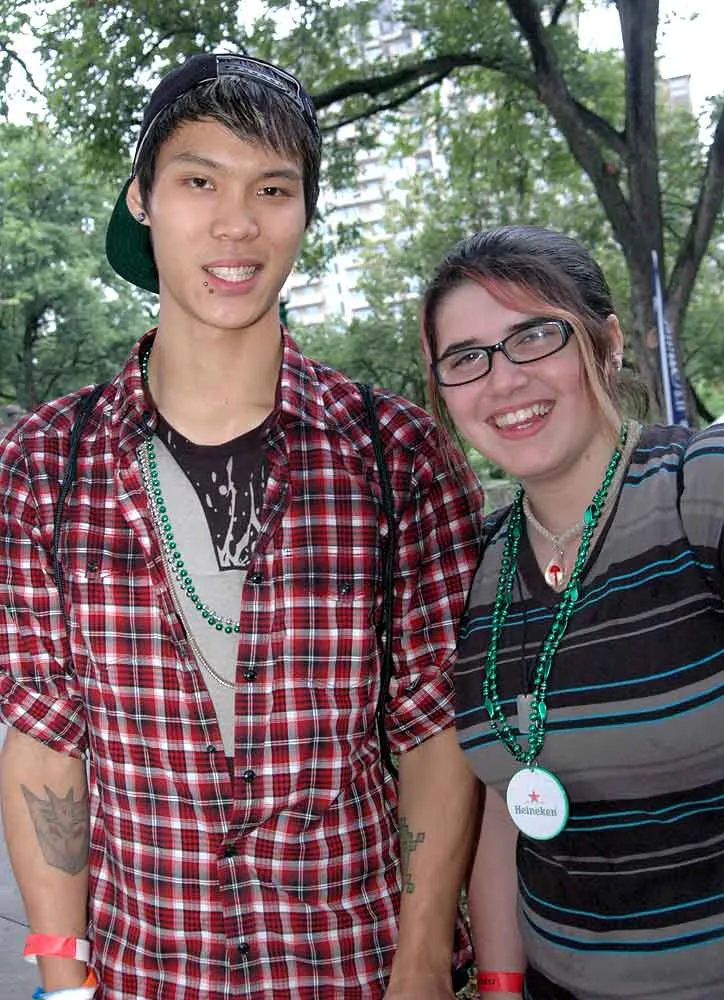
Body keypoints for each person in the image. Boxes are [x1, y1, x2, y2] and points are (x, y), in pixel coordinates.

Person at [0, 53, 484, 1000]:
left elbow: (435, 729)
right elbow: (46, 737)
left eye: (273, 188)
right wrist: (65, 981)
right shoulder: (44, 465)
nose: (237, 222)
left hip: (354, 965)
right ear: (141, 199)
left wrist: (423, 963)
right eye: (198, 181)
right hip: (143, 970)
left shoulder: (397, 456)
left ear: (305, 211)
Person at [420, 224, 724, 1000]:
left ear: (607, 344)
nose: (503, 380)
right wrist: (500, 987)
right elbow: (504, 798)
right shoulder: (474, 566)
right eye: (467, 358)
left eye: (534, 336)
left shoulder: (701, 492)